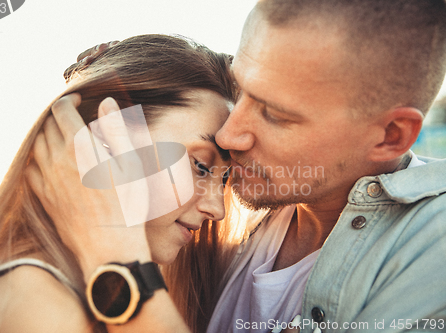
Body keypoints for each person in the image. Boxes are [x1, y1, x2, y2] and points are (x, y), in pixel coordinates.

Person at [36, 0, 446, 332]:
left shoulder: (433, 254)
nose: (231, 136)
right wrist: (112, 80)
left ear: (391, 134)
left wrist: (121, 265)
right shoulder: (251, 215)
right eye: (243, 89)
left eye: (274, 113)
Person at [0, 34, 243, 333]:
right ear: (103, 139)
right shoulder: (42, 308)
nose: (217, 208)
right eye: (201, 166)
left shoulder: (67, 297)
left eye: (225, 179)